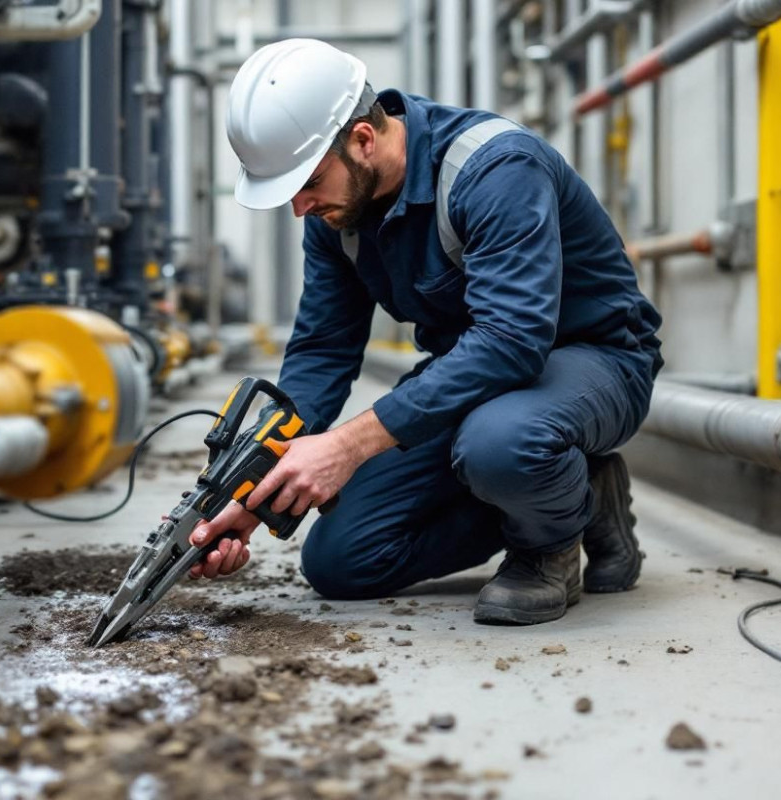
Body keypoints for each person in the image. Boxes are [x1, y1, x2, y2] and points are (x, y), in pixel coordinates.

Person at [187, 39, 663, 625]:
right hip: (476, 377)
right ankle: (577, 494)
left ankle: (546, 550)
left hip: (592, 361)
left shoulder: (493, 169)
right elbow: (323, 348)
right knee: (342, 561)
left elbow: (512, 341)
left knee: (501, 444)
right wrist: (254, 490)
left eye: (307, 182)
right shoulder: (337, 212)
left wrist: (346, 446)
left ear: (363, 139)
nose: (299, 207)